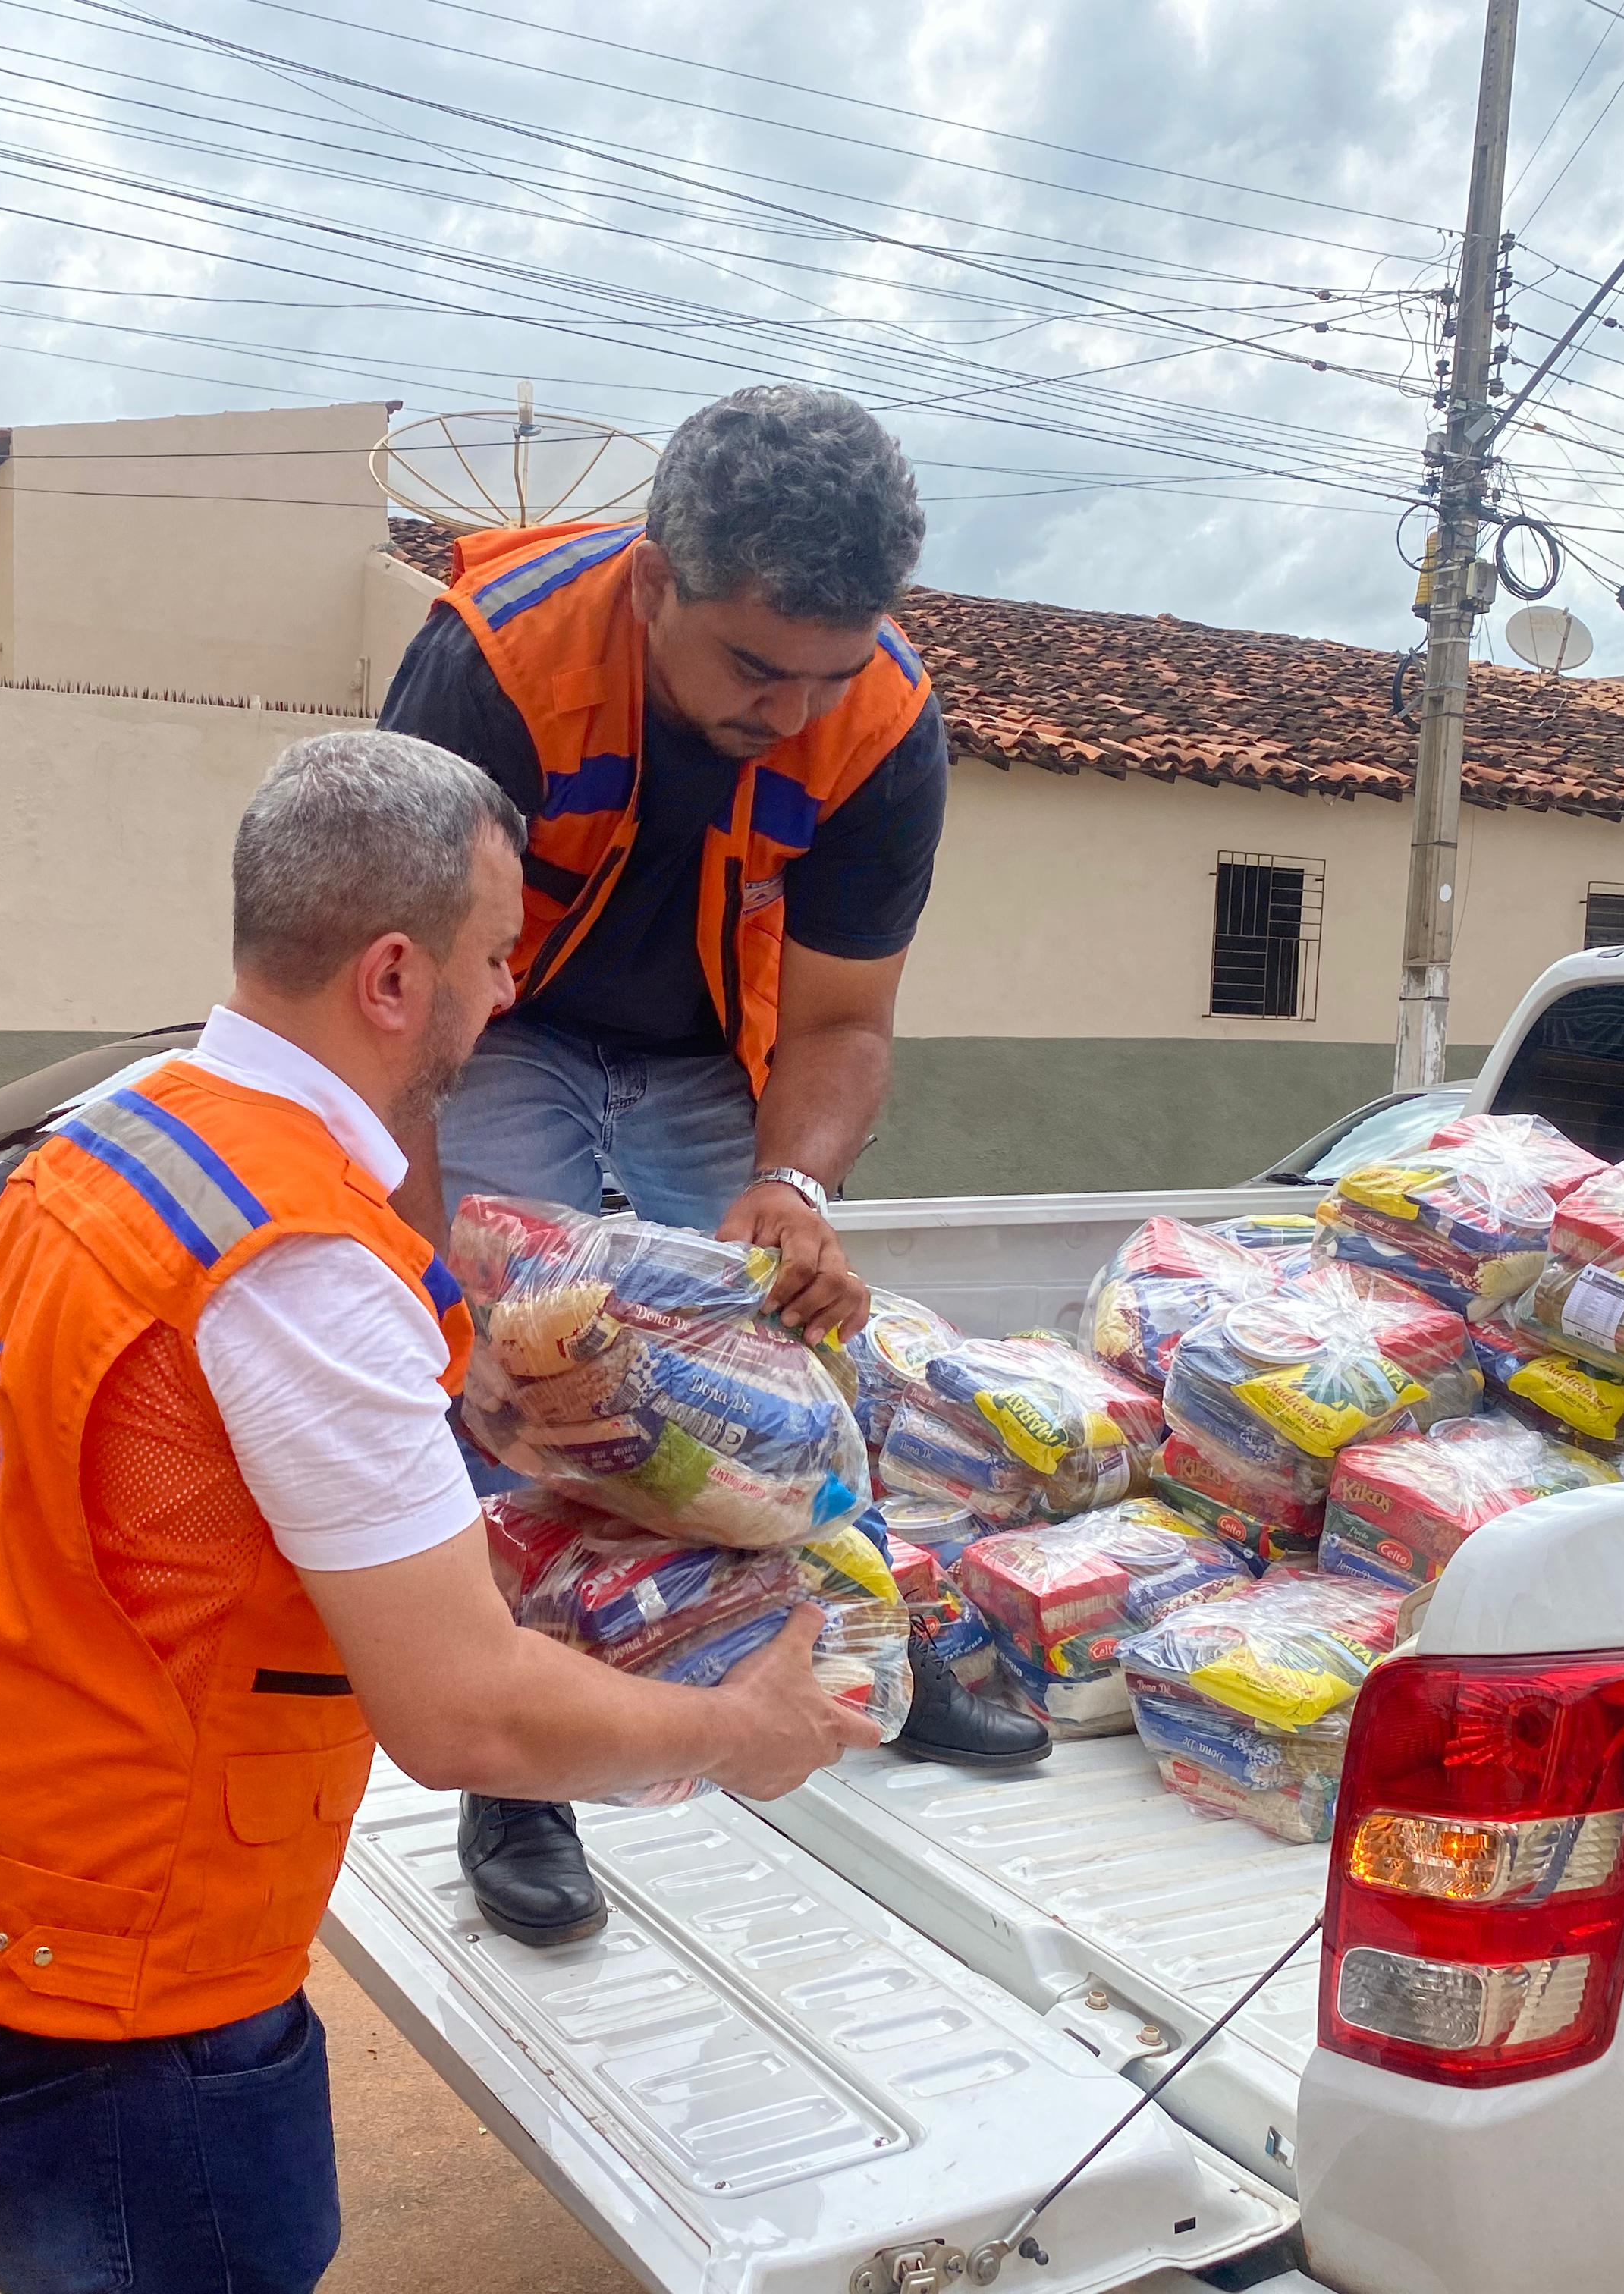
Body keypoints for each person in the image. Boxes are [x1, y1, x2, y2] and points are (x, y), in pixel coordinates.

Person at [0, 731, 872, 2294]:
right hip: (108, 1991)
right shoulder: (302, 1261)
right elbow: (470, 1726)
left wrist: (505, 1407)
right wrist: (742, 1729)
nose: (510, 993)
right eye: (497, 957)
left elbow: (179, 1453)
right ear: (393, 978)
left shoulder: (125, 1138)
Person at [377, 383, 1048, 1953]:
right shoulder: (496, 659)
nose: (794, 709)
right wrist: (420, 1274)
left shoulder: (883, 719)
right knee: (516, 1379)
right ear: (656, 579)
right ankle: (524, 1764)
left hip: (710, 1055)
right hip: (505, 1034)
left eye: (828, 671)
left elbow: (841, 1015)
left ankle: (870, 1643)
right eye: (756, 665)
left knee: (790, 1356)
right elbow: (396, 992)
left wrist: (793, 1190)